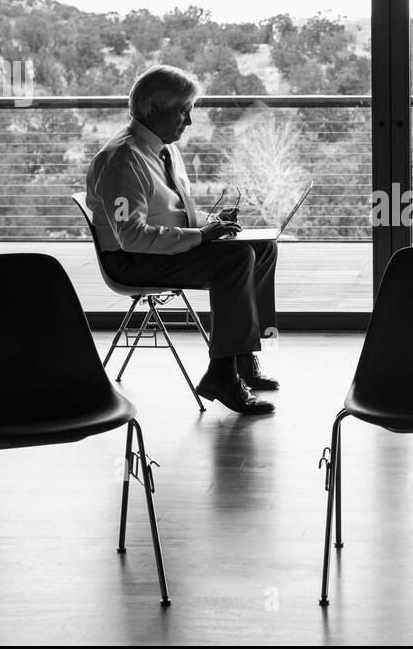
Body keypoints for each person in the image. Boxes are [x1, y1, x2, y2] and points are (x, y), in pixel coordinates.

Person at [85, 65, 278, 415]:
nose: (189, 121)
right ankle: (222, 373)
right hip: (132, 260)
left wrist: (211, 223)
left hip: (161, 249)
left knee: (262, 249)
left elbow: (175, 210)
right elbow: (130, 237)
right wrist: (201, 236)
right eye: (183, 110)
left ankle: (243, 358)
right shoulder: (123, 160)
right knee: (236, 260)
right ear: (153, 108)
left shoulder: (164, 149)